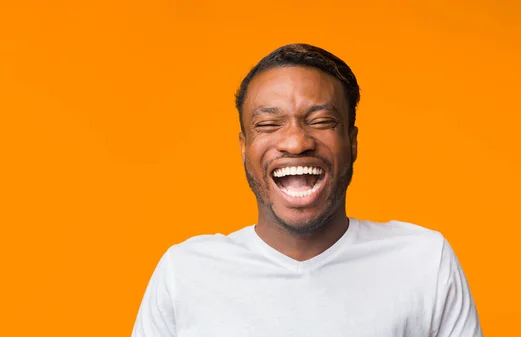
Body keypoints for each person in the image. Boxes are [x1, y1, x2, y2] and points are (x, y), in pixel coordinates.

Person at [131, 43, 483, 337]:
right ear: (244, 147)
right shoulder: (185, 273)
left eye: (321, 121)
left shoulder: (424, 262)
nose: (297, 142)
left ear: (352, 142)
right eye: (269, 124)